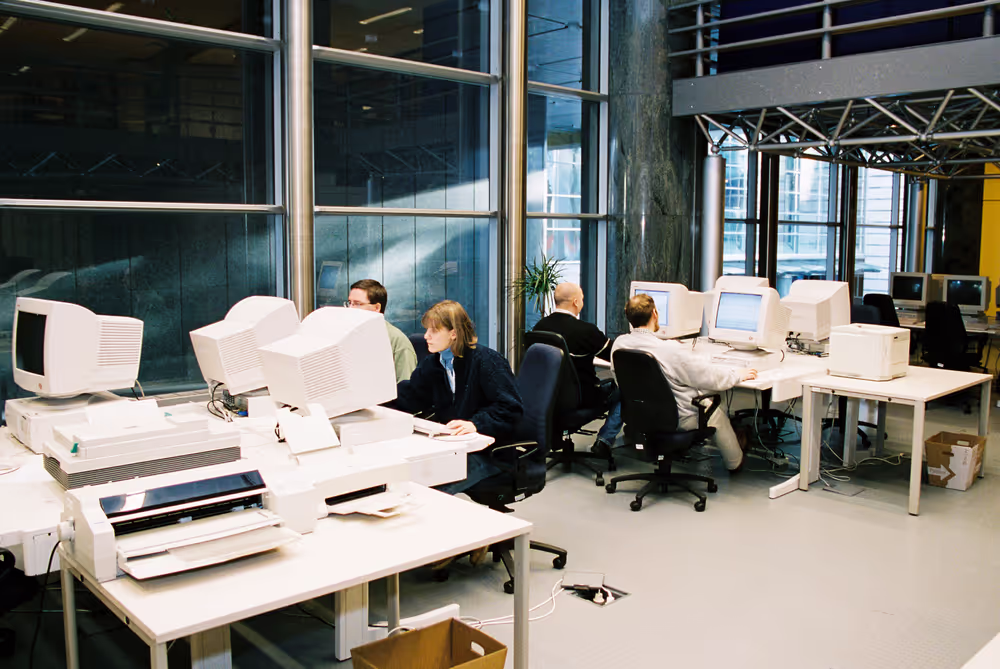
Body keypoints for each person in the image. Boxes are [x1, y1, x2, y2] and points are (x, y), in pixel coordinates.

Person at [611, 293, 755, 473]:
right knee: (714, 412)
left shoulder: (619, 344)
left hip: (639, 414)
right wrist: (737, 375)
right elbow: (708, 376)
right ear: (655, 313)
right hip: (677, 418)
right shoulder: (668, 349)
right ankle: (735, 463)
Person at [392, 300, 524, 494]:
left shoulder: (487, 362)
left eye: (434, 331)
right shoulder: (433, 364)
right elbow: (411, 397)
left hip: (489, 453)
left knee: (432, 488)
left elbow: (511, 408)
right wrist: (374, 402)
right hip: (454, 447)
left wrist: (476, 423)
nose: (426, 336)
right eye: (427, 330)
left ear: (453, 333)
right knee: (409, 476)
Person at [532, 282, 622, 456]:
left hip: (548, 397)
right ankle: (604, 440)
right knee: (624, 389)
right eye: (581, 299)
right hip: (583, 398)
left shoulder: (539, 327)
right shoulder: (586, 331)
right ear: (575, 302)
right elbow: (615, 355)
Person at [346, 279, 418, 382]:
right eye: (349, 303)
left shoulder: (397, 341)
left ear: (377, 307)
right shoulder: (348, 336)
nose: (350, 309)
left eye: (357, 304)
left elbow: (406, 389)